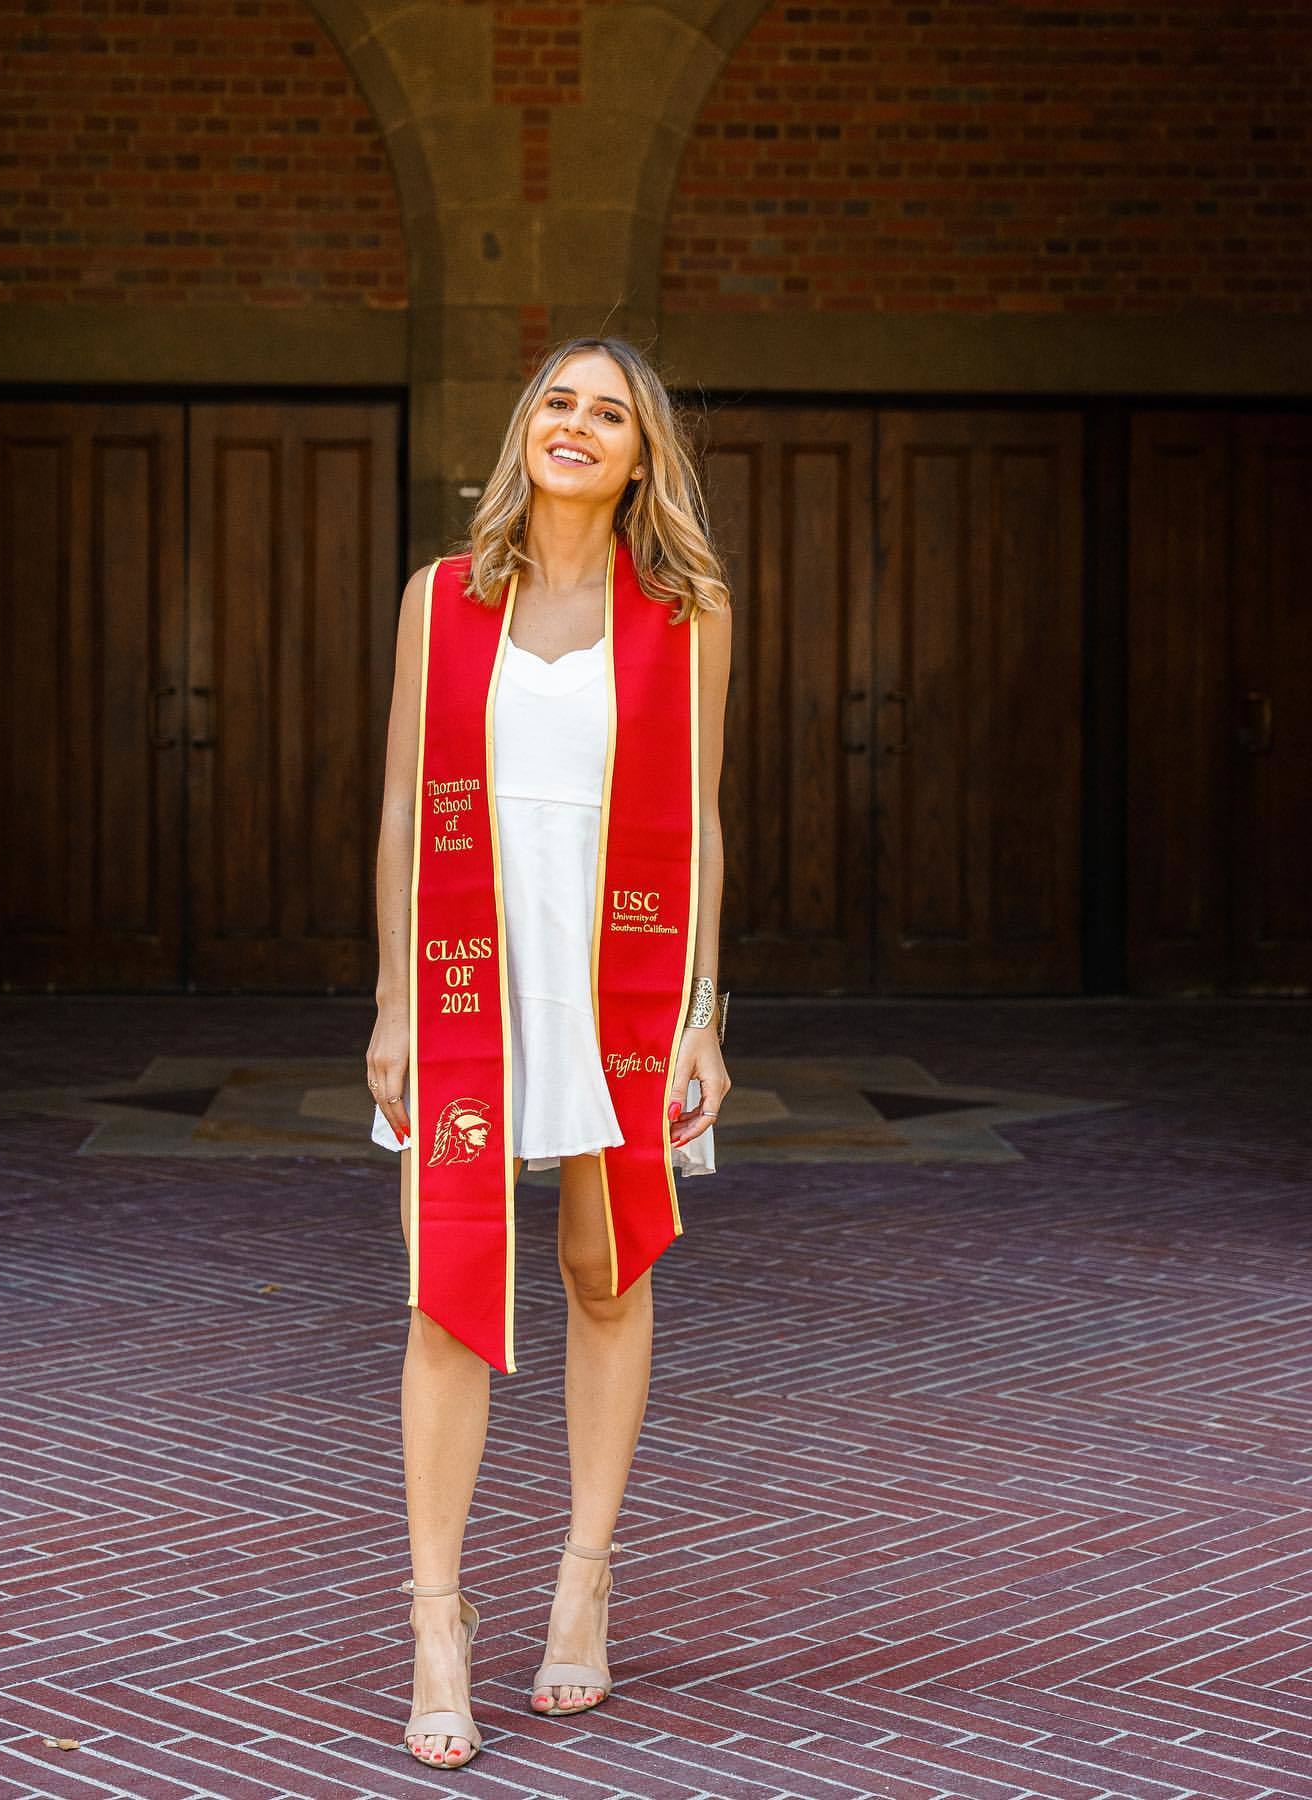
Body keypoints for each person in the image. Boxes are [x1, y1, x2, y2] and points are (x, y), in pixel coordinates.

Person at [365, 335, 734, 1769]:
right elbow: (403, 808)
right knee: (449, 1286)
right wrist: (394, 1000)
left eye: (610, 414)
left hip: (614, 973)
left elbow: (701, 819)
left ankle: (584, 1583)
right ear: (526, 429)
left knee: (603, 1265)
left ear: (642, 459)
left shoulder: (687, 615)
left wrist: (703, 1012)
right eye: (558, 404)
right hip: (470, 967)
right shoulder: (443, 598)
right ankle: (438, 1622)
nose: (576, 426)